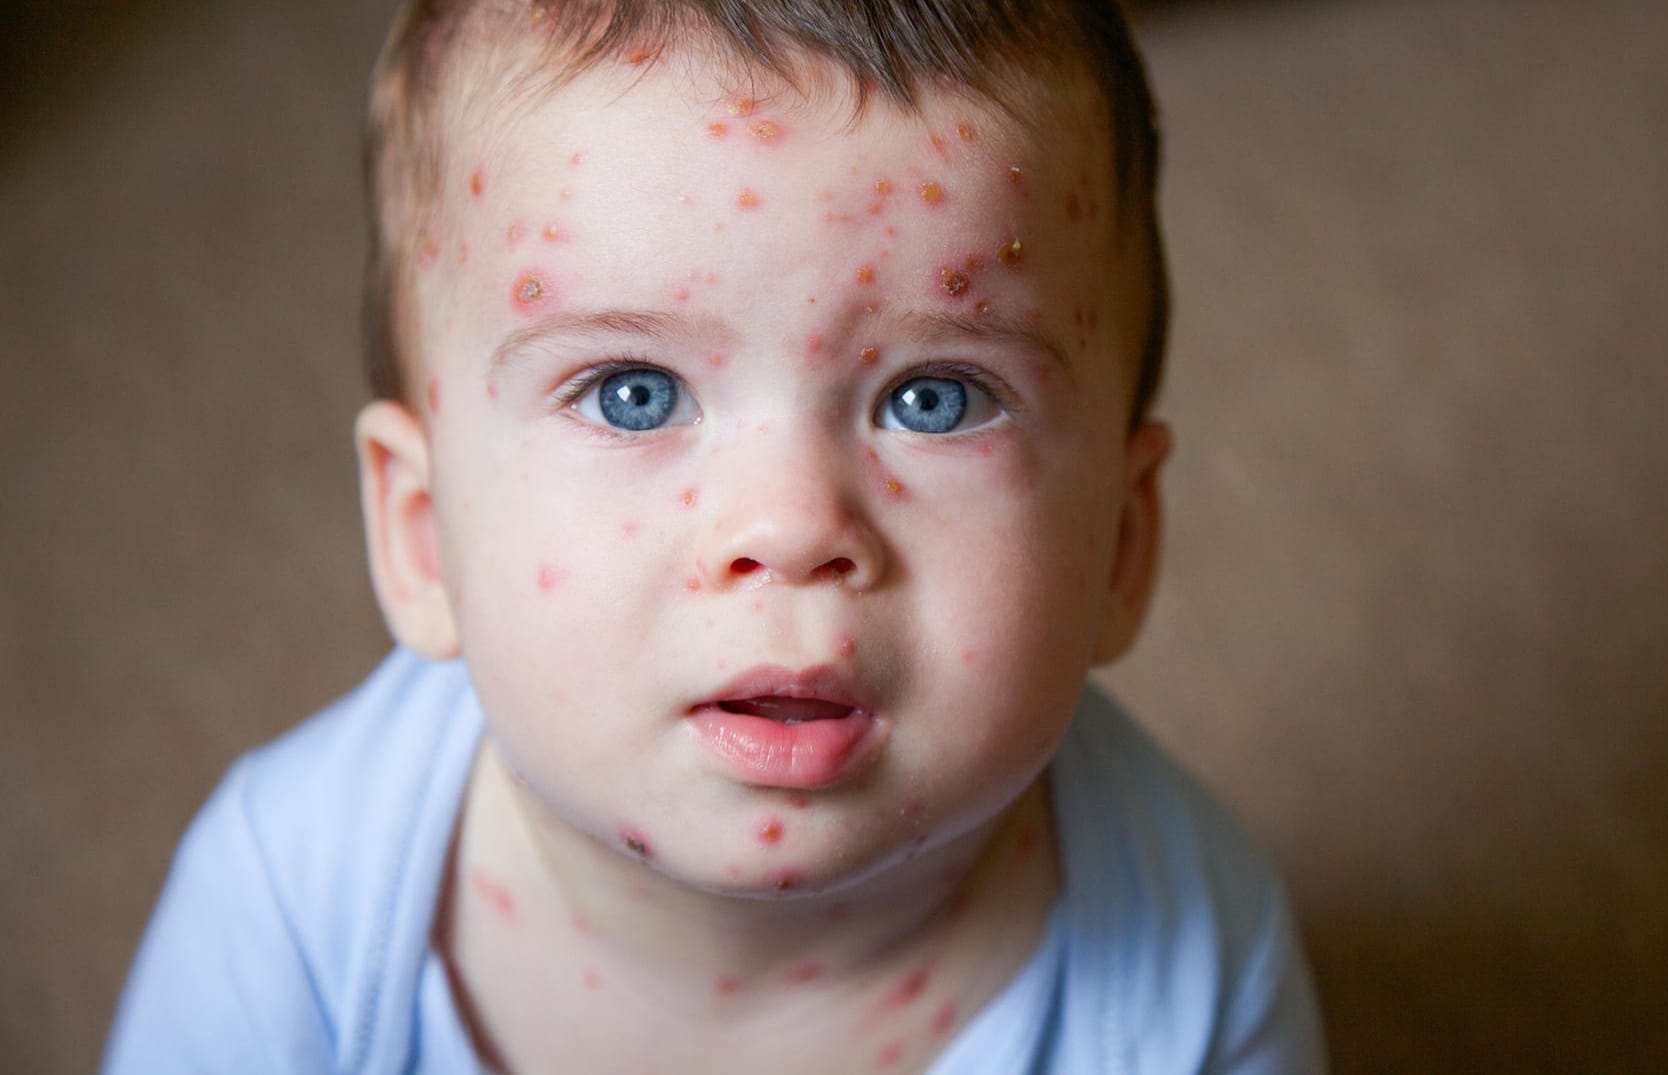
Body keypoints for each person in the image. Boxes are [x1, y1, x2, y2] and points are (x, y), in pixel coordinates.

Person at [104, 1, 1324, 1070]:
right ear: (422, 536)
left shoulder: (1193, 968)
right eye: (635, 391)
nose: (791, 529)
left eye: (935, 397)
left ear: (1119, 542)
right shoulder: (288, 916)